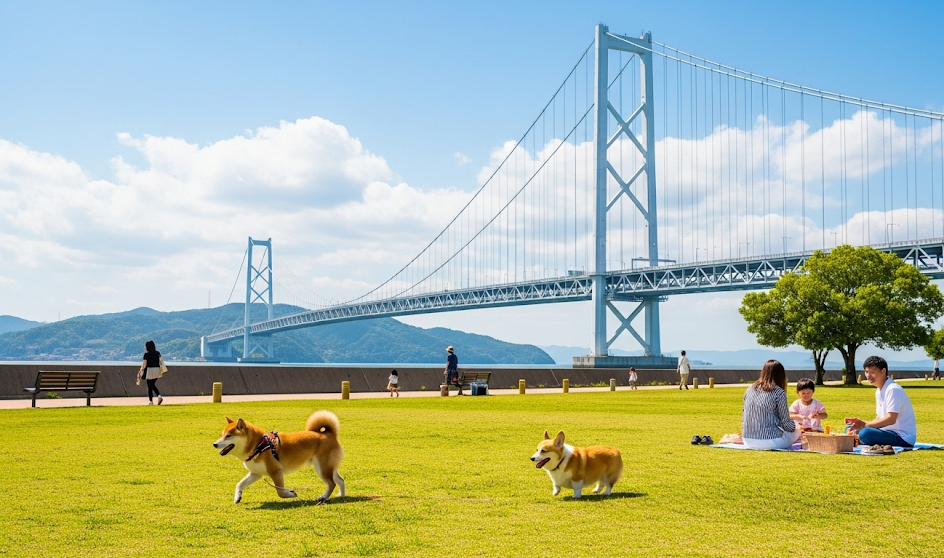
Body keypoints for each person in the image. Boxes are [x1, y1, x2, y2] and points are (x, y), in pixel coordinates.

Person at [846, 356, 916, 447]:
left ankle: (859, 439)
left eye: (872, 372)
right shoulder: (879, 391)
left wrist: (865, 425)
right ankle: (858, 439)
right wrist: (860, 425)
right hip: (886, 432)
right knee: (850, 428)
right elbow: (879, 418)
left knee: (865, 433)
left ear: (883, 371)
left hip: (902, 437)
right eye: (866, 372)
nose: (868, 376)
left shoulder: (893, 389)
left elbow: (891, 419)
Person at [741, 359, 800, 449]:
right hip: (770, 441)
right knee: (797, 430)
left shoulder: (749, 389)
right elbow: (786, 424)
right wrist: (797, 425)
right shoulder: (779, 392)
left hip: (747, 440)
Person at [138, 339, 163, 405]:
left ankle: (151, 401)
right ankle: (158, 396)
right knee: (152, 384)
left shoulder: (146, 354)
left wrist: (140, 371)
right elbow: (160, 362)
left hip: (149, 370)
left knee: (150, 385)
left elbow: (144, 365)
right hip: (157, 370)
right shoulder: (157, 353)